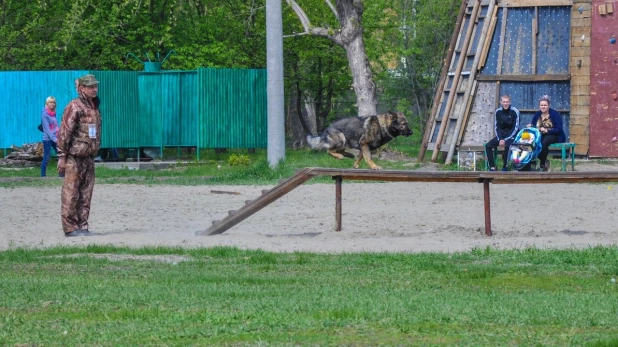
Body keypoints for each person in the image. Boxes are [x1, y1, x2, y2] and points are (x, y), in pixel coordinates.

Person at [57, 74, 102, 237]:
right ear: (81, 88)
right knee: (71, 193)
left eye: (95, 86)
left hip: (89, 157)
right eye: (91, 87)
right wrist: (62, 156)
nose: (94, 89)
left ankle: (82, 226)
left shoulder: (94, 106)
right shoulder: (74, 106)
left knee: (86, 193)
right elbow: (64, 132)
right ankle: (70, 227)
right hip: (74, 158)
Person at [526, 95, 566, 171]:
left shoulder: (555, 114)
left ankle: (542, 163)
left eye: (545, 105)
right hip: (540, 135)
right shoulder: (537, 114)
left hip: (554, 135)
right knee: (531, 141)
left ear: (548, 105)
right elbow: (534, 126)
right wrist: (531, 126)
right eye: (541, 105)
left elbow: (559, 129)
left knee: (544, 142)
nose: (543, 107)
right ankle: (531, 161)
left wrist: (547, 130)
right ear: (539, 106)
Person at [485, 94, 520, 171]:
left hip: (512, 135)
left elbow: (515, 127)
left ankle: (505, 166)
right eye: (504, 102)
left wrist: (506, 139)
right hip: (502, 135)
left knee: (508, 146)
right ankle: (492, 167)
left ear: (510, 102)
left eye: (507, 102)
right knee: (488, 146)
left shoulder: (515, 111)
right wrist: (500, 138)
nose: (505, 103)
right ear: (501, 102)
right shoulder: (498, 112)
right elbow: (497, 127)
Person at [40, 96, 62, 177]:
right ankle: (43, 175)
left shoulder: (53, 113)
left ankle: (62, 174)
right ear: (47, 103)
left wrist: (59, 135)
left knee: (61, 155)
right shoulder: (44, 114)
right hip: (48, 139)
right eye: (50, 102)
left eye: (53, 102)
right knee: (47, 157)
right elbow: (47, 128)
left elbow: (55, 126)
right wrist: (54, 139)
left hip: (55, 137)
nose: (52, 104)